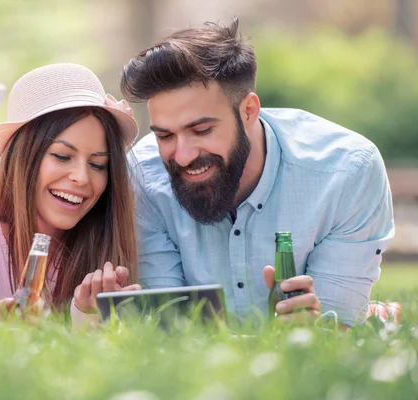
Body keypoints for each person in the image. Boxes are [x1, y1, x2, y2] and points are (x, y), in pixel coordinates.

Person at [121, 18, 395, 327]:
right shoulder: (142, 178)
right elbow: (167, 328)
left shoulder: (347, 171)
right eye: (165, 136)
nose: (182, 156)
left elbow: (337, 327)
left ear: (249, 111)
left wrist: (317, 326)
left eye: (201, 130)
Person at [0, 63, 141, 323]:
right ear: (24, 154)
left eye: (97, 165)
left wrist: (87, 317)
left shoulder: (106, 229)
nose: (82, 178)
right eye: (62, 156)